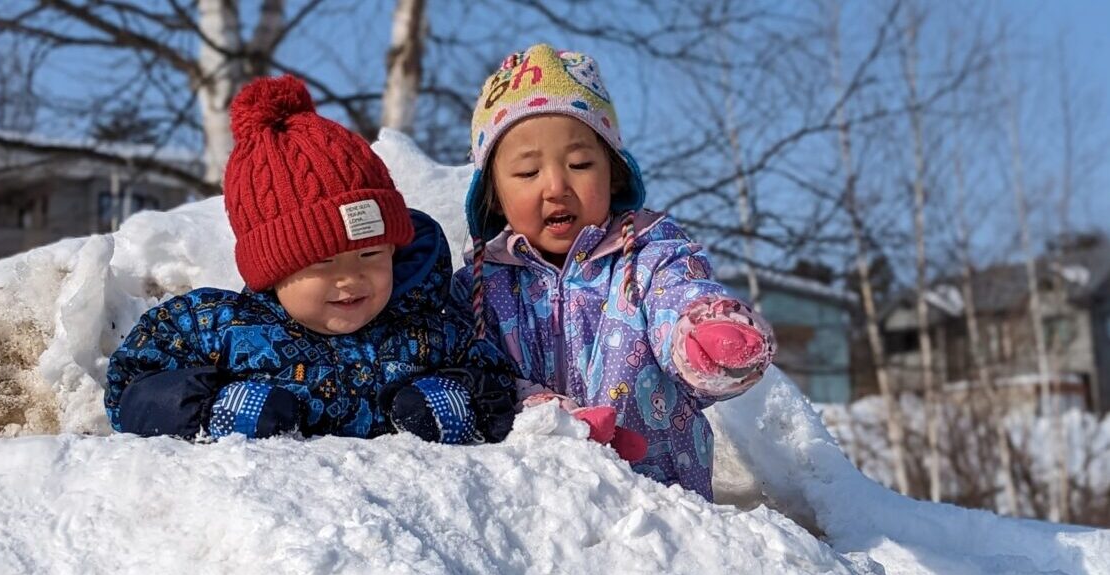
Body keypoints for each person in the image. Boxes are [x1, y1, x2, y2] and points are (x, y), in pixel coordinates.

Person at [104, 75, 516, 445]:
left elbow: (494, 384)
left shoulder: (427, 328)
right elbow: (132, 387)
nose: (351, 279)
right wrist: (213, 410)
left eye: (370, 254)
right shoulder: (223, 328)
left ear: (394, 248)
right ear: (274, 269)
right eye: (322, 263)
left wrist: (454, 403)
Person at [454, 44, 777, 500]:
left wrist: (701, 336)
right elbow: (472, 376)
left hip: (663, 509)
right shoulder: (480, 291)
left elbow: (677, 296)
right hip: (538, 510)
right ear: (492, 195)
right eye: (527, 172)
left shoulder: (649, 256)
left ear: (615, 173)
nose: (556, 186)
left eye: (580, 164)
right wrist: (547, 418)